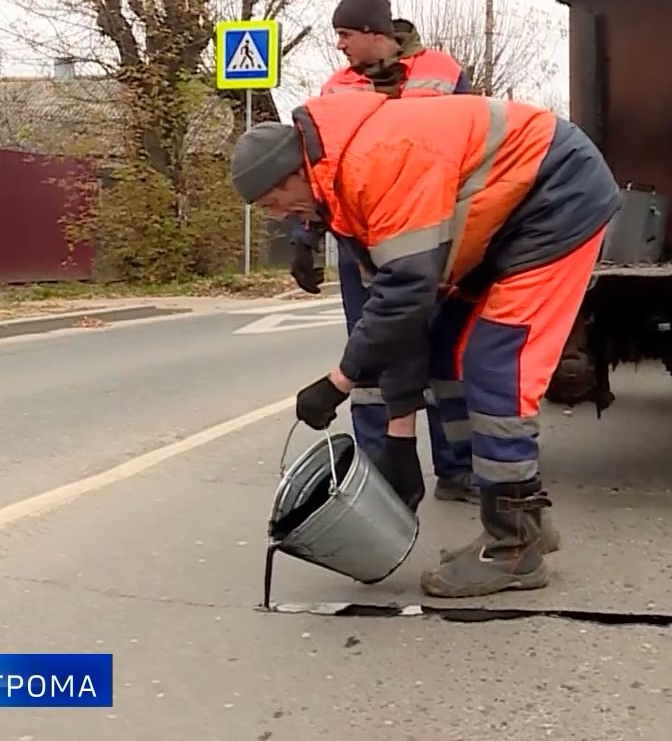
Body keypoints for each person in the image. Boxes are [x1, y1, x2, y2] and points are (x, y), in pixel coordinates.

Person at [230, 90, 621, 597]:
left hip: (557, 198)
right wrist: (399, 440)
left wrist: (338, 382)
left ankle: (514, 547)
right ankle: (524, 517)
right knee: (447, 351)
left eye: (273, 203)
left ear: (291, 175)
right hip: (509, 220)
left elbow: (407, 294)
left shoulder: (372, 163)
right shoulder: (338, 195)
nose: (281, 216)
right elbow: (400, 321)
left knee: (496, 363)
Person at [285, 0, 478, 504]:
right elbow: (314, 169)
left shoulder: (442, 71)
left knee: (444, 357)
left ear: (375, 33)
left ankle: (459, 468)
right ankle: (380, 474)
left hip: (437, 241)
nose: (340, 47)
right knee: (368, 355)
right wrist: (303, 238)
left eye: (346, 35)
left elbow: (472, 147)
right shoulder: (335, 87)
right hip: (362, 245)